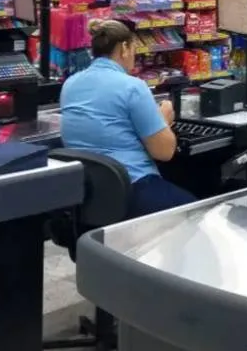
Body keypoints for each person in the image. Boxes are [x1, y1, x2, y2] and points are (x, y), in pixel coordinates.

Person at [60, 19, 194, 218]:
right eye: (134, 48)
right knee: (200, 215)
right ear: (124, 48)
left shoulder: (70, 84)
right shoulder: (132, 87)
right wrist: (164, 120)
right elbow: (164, 152)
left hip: (90, 194)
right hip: (133, 188)